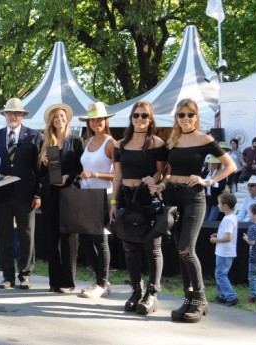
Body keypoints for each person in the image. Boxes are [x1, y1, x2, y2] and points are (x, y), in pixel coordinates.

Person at [154, 98, 236, 323]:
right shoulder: (173, 140)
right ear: (176, 118)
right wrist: (160, 185)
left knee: (186, 249)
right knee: (181, 252)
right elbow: (168, 173)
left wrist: (208, 181)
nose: (186, 119)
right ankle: (188, 298)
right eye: (181, 115)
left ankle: (200, 299)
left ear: (196, 116)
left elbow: (231, 165)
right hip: (172, 196)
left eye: (190, 114)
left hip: (193, 198)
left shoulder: (205, 139)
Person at [111, 101, 168, 314]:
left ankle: (152, 293)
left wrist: (152, 181)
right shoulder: (120, 144)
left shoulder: (157, 143)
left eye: (144, 115)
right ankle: (136, 290)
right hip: (126, 197)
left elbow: (161, 172)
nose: (140, 119)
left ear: (150, 118)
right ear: (131, 117)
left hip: (147, 197)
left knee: (153, 248)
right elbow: (117, 175)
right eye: (136, 115)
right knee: (129, 247)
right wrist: (114, 202)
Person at [0, 98, 43, 290]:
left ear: (22, 116)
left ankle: (25, 275)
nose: (13, 116)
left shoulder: (34, 136)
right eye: (10, 113)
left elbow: (39, 168)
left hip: (26, 194)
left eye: (17, 113)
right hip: (2, 195)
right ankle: (7, 276)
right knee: (3, 236)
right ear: (4, 115)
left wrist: (38, 193)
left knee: (26, 235)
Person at [38, 103, 83, 294]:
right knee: (51, 238)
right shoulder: (46, 142)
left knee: (70, 239)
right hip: (50, 195)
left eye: (62, 117)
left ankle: (68, 282)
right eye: (55, 117)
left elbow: (81, 168)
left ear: (67, 119)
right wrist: (43, 163)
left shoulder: (76, 141)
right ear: (51, 121)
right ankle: (53, 282)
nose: (59, 119)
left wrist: (68, 177)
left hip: (70, 194)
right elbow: (40, 173)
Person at [76, 102, 115, 298]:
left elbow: (118, 174)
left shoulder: (110, 143)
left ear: (105, 120)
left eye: (99, 119)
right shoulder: (87, 142)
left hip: (103, 195)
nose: (96, 122)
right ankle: (101, 279)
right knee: (84, 239)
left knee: (101, 240)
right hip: (85, 195)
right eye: (93, 119)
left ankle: (101, 282)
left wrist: (95, 175)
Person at [209, 193, 239, 306]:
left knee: (221, 274)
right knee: (219, 274)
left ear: (225, 206)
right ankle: (222, 295)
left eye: (219, 203)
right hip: (225, 251)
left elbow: (228, 237)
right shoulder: (231, 217)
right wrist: (218, 234)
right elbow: (227, 234)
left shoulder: (228, 220)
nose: (218, 205)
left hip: (225, 252)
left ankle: (231, 297)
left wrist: (215, 240)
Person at [242, 203, 256, 303]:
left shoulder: (253, 228)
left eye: (250, 212)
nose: (248, 214)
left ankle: (254, 297)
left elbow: (253, 242)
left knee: (253, 276)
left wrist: (246, 239)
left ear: (255, 215)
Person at [203, 156, 226, 221]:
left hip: (216, 200)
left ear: (218, 164)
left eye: (214, 163)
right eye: (210, 163)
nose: (212, 165)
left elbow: (222, 186)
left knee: (211, 219)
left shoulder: (221, 173)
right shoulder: (206, 172)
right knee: (205, 218)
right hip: (206, 199)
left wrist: (212, 183)